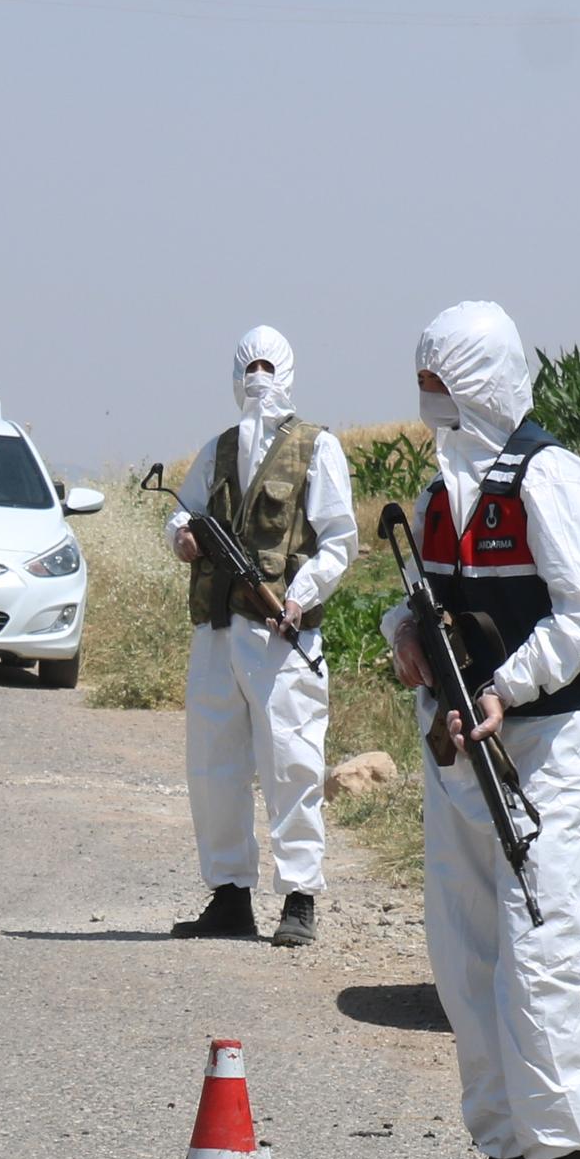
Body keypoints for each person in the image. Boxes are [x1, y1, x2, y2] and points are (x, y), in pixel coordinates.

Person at [384, 301, 580, 1159]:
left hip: (545, 745)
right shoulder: (443, 489)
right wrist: (406, 637)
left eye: (442, 389)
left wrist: (509, 690)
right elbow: (424, 600)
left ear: (479, 382)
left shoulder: (554, 481)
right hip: (459, 748)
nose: (432, 408)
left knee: (540, 952)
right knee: (466, 953)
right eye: (425, 390)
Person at [166, 325, 354, 947]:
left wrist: (298, 598)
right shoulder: (217, 449)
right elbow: (181, 513)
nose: (258, 377)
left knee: (292, 762)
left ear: (289, 372)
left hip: (280, 634)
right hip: (218, 631)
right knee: (213, 766)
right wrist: (183, 539)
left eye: (269, 366)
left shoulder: (316, 448)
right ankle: (229, 895)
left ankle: (299, 898)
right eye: (249, 365)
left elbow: (339, 542)